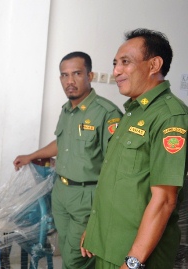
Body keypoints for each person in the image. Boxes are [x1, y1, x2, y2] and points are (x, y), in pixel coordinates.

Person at [80, 28, 188, 269]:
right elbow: (117, 181)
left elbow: (165, 200)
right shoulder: (133, 111)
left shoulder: (170, 117)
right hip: (107, 243)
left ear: (154, 65)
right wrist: (94, 230)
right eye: (115, 63)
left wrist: (133, 262)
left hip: (135, 256)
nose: (116, 71)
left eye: (125, 62)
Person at [13, 51, 123, 269]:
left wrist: (100, 215)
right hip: (61, 193)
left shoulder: (107, 114)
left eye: (76, 74)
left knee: (76, 258)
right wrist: (32, 156)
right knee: (67, 252)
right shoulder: (67, 110)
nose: (69, 81)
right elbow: (61, 143)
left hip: (87, 198)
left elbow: (116, 169)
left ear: (89, 75)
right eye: (64, 75)